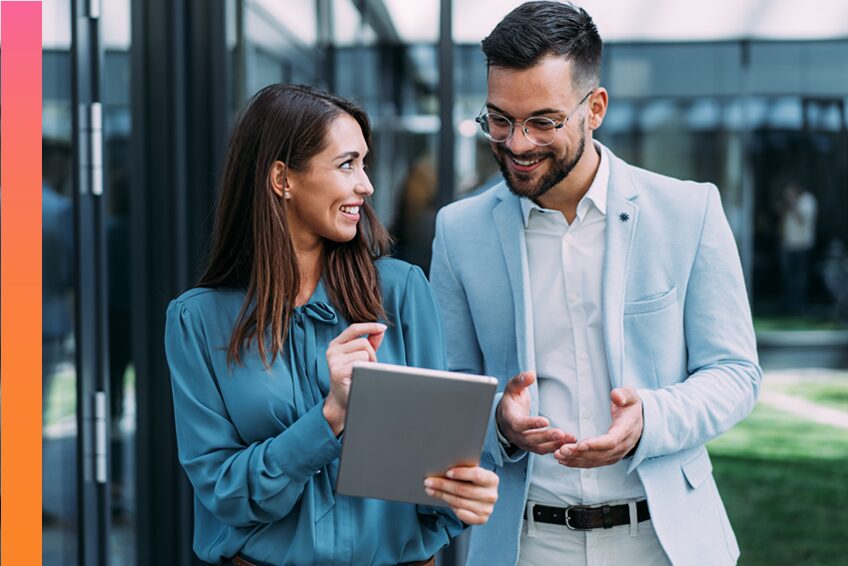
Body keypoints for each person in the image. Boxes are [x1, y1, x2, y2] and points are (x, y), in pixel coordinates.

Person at [429, 3, 761, 566]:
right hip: (522, 542)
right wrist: (498, 423)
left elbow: (735, 374)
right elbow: (448, 385)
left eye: (542, 121)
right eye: (500, 120)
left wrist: (649, 420)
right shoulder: (458, 231)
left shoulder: (689, 211)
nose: (516, 144)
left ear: (595, 108)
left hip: (664, 541)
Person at [164, 84, 498, 566]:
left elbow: (433, 482)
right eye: (347, 165)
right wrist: (332, 415)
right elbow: (225, 494)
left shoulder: (401, 292)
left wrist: (464, 494)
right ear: (282, 178)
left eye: (364, 163)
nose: (367, 184)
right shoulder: (197, 320)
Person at [780, 182, 817, 313]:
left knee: (800, 278)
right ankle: (789, 306)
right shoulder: (789, 204)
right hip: (789, 245)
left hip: (802, 245)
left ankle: (800, 306)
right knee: (788, 277)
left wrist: (792, 202)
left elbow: (801, 219)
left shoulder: (807, 200)